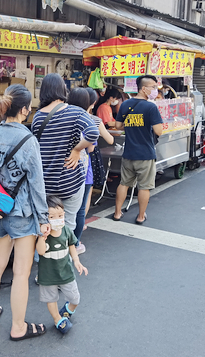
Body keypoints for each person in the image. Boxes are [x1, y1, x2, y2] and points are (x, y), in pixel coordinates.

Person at [0, 84, 51, 341]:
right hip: (22, 213)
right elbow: (37, 183)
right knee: (21, 271)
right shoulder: (28, 139)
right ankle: (18, 326)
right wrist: (44, 219)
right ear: (24, 110)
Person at [32, 74, 99, 232]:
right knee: (68, 224)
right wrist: (76, 149)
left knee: (46, 225)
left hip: (46, 181)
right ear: (63, 89)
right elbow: (93, 133)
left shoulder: (38, 116)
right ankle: (67, 255)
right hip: (70, 181)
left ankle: (45, 255)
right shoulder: (76, 112)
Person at [67, 87, 114, 254]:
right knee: (80, 207)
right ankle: (75, 243)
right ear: (91, 102)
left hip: (62, 165)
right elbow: (93, 147)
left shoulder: (62, 117)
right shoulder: (91, 120)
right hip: (83, 164)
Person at [113, 74, 163, 224]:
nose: (155, 90)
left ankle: (117, 213)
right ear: (143, 88)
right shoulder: (151, 107)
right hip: (145, 154)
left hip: (128, 152)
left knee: (124, 183)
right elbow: (159, 131)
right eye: (153, 87)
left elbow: (117, 126)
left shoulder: (125, 104)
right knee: (144, 187)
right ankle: (141, 216)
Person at [36, 195, 88, 335]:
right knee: (51, 299)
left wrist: (77, 261)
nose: (57, 219)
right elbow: (40, 252)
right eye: (52, 217)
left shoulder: (66, 230)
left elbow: (71, 245)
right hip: (48, 275)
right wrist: (43, 237)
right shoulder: (42, 234)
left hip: (66, 273)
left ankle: (68, 309)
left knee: (75, 298)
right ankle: (57, 319)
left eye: (60, 215)